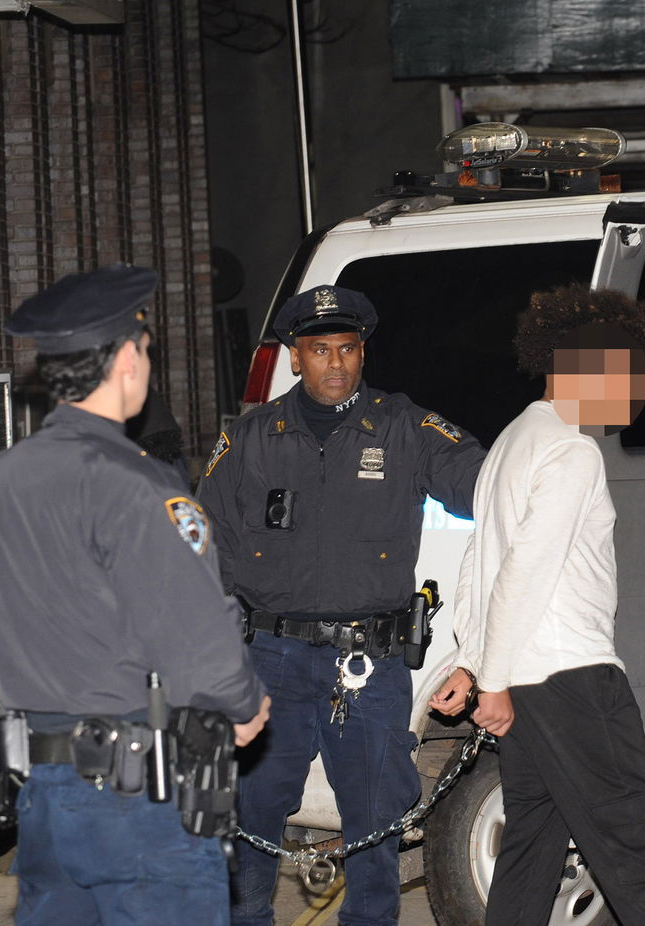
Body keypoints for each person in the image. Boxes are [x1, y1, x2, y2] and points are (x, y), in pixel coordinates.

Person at [0, 263, 270, 925]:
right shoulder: (137, 486)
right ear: (126, 359)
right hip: (140, 804)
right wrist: (241, 703)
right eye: (147, 350)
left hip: (43, 791)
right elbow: (193, 636)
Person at [199, 285, 485, 926]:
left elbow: (484, 483)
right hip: (267, 657)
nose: (335, 363)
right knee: (251, 814)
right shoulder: (250, 438)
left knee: (375, 820)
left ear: (363, 353)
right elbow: (204, 544)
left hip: (367, 662)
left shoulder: (406, 428)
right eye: (319, 349)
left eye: (348, 349)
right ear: (294, 357)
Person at [429, 285, 645, 926]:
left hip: (525, 677)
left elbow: (478, 565)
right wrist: (487, 679)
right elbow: (524, 568)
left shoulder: (513, 442)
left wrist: (473, 662)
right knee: (634, 836)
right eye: (632, 378)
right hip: (570, 676)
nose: (640, 393)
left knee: (533, 842)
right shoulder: (570, 451)